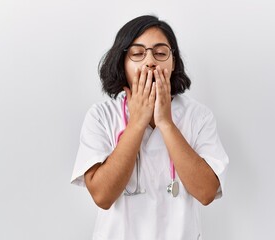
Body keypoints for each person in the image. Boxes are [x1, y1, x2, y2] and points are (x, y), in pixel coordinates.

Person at [71, 15, 229, 240]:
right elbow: (102, 196)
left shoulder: (198, 117)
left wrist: (165, 122)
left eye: (161, 53)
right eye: (137, 54)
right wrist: (136, 123)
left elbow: (206, 193)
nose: (150, 61)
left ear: (173, 62)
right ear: (122, 63)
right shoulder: (101, 116)